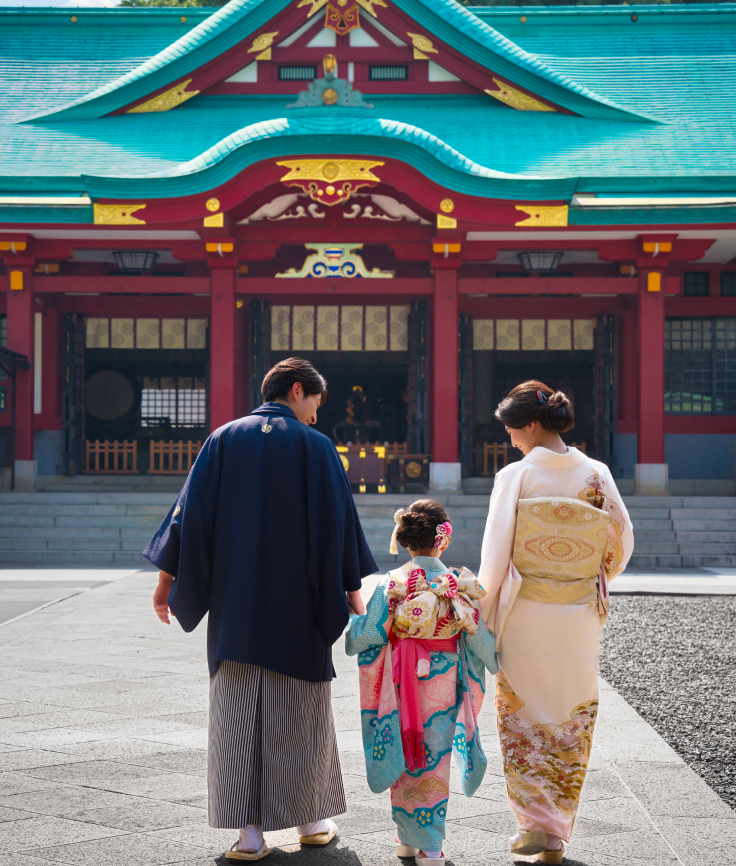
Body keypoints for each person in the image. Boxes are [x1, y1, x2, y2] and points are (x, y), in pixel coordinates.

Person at [144, 357, 377, 861]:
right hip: (300, 605)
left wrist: (167, 581)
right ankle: (311, 820)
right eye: (316, 400)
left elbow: (189, 514)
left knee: (238, 713)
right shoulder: (316, 447)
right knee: (299, 712)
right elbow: (340, 523)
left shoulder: (223, 439)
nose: (316, 413)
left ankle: (248, 834)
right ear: (298, 391)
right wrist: (351, 589)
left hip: (237, 607)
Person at [477, 381, 634, 864]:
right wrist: (592, 574)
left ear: (529, 424)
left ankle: (533, 822)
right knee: (571, 711)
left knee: (522, 713)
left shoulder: (516, 476)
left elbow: (496, 554)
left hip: (527, 611)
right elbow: (621, 544)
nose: (510, 441)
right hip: (579, 615)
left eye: (511, 430)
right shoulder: (596, 473)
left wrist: (480, 616)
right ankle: (556, 833)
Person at [345, 500, 498, 866]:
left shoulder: (392, 583)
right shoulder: (458, 584)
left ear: (407, 541)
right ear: (442, 539)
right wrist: (492, 657)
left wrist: (351, 626)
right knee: (434, 758)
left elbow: (365, 637)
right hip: (443, 684)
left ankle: (406, 839)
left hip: (401, 681)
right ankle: (429, 847)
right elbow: (480, 643)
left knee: (404, 748)